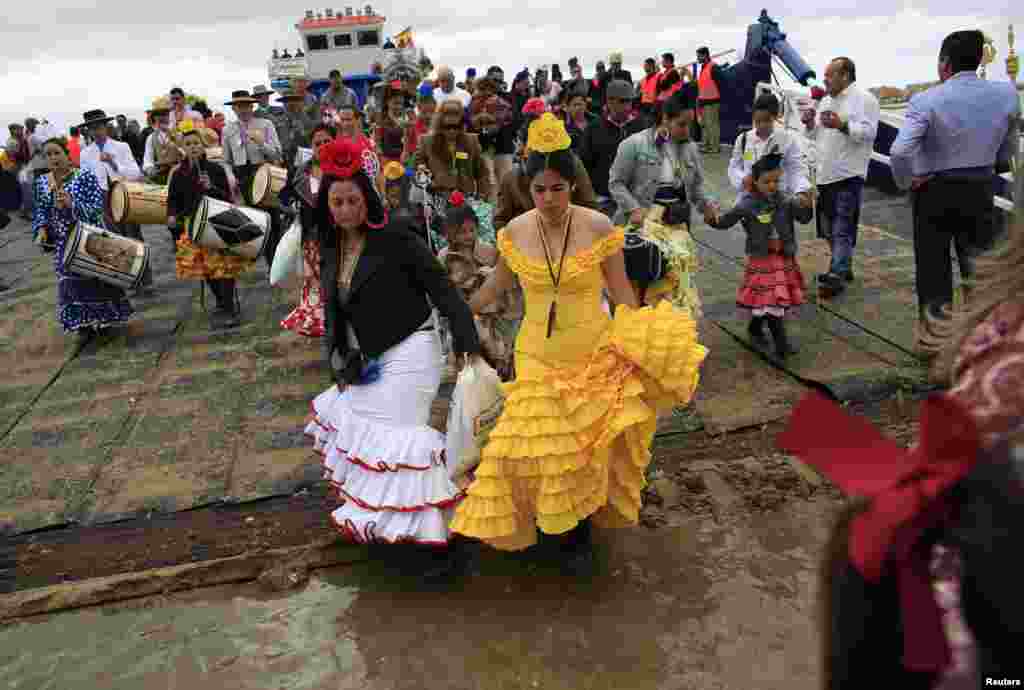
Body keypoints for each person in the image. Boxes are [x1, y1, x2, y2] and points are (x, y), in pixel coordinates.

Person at [449, 114, 707, 573]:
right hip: (534, 354)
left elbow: (621, 292)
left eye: (558, 188)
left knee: (582, 450)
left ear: (573, 184)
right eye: (540, 190)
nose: (549, 199)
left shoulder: (597, 227)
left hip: (591, 350)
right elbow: (496, 289)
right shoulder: (514, 234)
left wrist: (640, 340)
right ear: (528, 189)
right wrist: (459, 309)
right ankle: (553, 529)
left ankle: (577, 534)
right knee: (538, 446)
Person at [302, 136, 482, 583]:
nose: (344, 210)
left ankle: (436, 544)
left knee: (401, 441)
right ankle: (392, 527)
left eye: (352, 200)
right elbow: (333, 310)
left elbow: (442, 288)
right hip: (367, 359)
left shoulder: (396, 235)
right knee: (364, 432)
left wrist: (467, 345)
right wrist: (337, 359)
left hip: (413, 351)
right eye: (336, 201)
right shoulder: (330, 247)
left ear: (368, 199)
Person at [888, 29, 1021, 356]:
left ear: (944, 63)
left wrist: (908, 181)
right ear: (978, 60)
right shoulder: (1006, 95)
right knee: (978, 267)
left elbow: (900, 153)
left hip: (934, 191)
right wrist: (995, 163)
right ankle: (984, 341)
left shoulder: (927, 100)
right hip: (980, 188)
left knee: (933, 269)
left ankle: (935, 343)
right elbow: (1009, 147)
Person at [706, 152, 814, 356]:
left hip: (783, 257)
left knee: (768, 299)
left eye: (776, 181)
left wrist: (808, 206)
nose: (772, 186)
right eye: (767, 181)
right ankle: (781, 346)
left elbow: (803, 218)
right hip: (763, 259)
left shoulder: (785, 200)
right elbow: (724, 221)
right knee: (772, 302)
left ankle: (755, 327)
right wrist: (711, 218)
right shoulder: (747, 204)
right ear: (755, 181)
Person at [32, 138, 134, 342]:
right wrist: (41, 228)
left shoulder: (84, 177)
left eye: (57, 153)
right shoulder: (42, 182)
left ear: (67, 155)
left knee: (96, 281)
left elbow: (97, 210)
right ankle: (83, 326)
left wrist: (73, 204)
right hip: (62, 240)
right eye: (48, 155)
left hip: (88, 236)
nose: (53, 158)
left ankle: (105, 322)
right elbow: (41, 210)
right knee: (70, 283)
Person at [803, 56, 879, 296]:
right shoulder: (825, 100)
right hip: (826, 173)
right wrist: (809, 124)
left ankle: (836, 273)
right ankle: (841, 266)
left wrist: (842, 125)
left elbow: (869, 133)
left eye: (829, 75)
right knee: (826, 228)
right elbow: (818, 136)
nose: (824, 79)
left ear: (844, 76)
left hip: (849, 172)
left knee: (842, 226)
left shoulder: (865, 99)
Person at [166, 127, 254, 329]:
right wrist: (171, 215)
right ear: (183, 148)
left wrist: (210, 187)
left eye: (196, 143)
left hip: (217, 222)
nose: (193, 147)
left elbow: (227, 198)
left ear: (202, 145)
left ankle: (230, 307)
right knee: (205, 268)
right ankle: (221, 302)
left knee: (224, 267)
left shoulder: (215, 169)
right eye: (188, 144)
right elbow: (172, 199)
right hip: (193, 224)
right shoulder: (178, 174)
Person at [436, 192, 517, 380]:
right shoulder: (444, 256)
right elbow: (441, 287)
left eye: (472, 230)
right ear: (451, 232)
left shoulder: (489, 251)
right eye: (462, 232)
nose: (468, 236)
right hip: (462, 310)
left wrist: (488, 274)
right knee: (473, 349)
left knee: (496, 349)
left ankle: (499, 374)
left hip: (491, 310)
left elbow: (502, 277)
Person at [609, 91, 714, 228]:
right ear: (665, 119)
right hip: (640, 227)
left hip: (677, 225)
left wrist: (706, 206)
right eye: (682, 124)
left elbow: (696, 186)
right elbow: (616, 183)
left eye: (691, 124)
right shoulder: (633, 144)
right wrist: (633, 209)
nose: (687, 131)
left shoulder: (691, 148)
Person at [78, 108, 152, 295]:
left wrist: (114, 164)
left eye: (99, 126)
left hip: (124, 193)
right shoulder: (85, 153)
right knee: (116, 240)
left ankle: (146, 278)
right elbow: (85, 180)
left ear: (106, 127)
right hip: (103, 197)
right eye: (92, 128)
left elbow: (135, 173)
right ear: (88, 130)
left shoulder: (121, 147)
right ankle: (132, 280)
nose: (97, 131)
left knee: (134, 236)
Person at [495, 113, 597, 229]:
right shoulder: (511, 179)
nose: (548, 198)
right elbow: (501, 220)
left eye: (557, 188)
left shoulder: (572, 166)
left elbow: (589, 206)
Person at [414, 99, 493, 248]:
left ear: (462, 124)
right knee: (446, 245)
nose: (452, 131)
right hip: (438, 202)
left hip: (467, 201)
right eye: (447, 127)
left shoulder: (472, 141)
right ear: (439, 125)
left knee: (474, 243)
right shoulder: (426, 142)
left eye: (456, 127)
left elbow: (482, 173)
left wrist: (483, 197)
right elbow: (417, 174)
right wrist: (424, 177)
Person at [281, 124, 336, 338]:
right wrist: (293, 207)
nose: (322, 146)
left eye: (326, 141)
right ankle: (322, 322)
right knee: (316, 282)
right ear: (311, 147)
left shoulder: (343, 165)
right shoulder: (301, 171)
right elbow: (284, 196)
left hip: (339, 234)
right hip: (312, 237)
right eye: (317, 143)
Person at [220, 89, 285, 267]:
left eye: (247, 105)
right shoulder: (227, 130)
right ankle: (252, 262)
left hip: (263, 173)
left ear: (252, 105)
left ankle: (275, 262)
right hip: (241, 176)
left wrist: (261, 143)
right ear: (234, 108)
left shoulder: (266, 124)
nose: (244, 109)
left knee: (271, 220)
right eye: (239, 106)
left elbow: (277, 154)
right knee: (248, 221)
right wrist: (230, 176)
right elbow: (225, 160)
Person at [579, 79, 649, 219]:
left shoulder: (643, 125)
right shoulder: (594, 128)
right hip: (604, 199)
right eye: (623, 101)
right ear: (609, 101)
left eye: (630, 101)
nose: (628, 106)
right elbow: (584, 163)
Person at [728, 93, 811, 196]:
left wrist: (802, 190)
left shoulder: (787, 140)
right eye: (758, 121)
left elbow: (796, 170)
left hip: (778, 200)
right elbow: (734, 166)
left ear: (776, 117)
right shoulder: (743, 139)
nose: (762, 125)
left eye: (767, 120)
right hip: (748, 197)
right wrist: (743, 179)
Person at [142, 98, 182, 184]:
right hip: (159, 174)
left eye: (164, 114)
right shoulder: (151, 137)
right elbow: (148, 160)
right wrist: (150, 169)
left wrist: (173, 137)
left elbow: (185, 154)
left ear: (169, 116)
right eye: (158, 114)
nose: (161, 117)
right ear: (154, 118)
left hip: (178, 174)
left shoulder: (179, 134)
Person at [695, 47, 726, 154]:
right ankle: (706, 146)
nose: (697, 58)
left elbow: (722, 83)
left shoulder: (713, 67)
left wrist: (721, 99)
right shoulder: (704, 68)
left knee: (712, 125)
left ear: (705, 55)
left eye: (699, 56)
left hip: (712, 102)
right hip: (703, 101)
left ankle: (715, 147)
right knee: (705, 126)